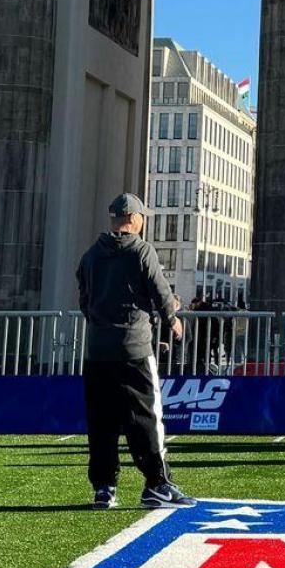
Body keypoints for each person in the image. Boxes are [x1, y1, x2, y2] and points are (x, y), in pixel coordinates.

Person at [77, 192, 193, 511]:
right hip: (134, 349)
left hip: (98, 351)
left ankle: (104, 487)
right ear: (136, 219)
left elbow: (84, 298)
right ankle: (157, 483)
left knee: (101, 422)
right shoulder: (142, 251)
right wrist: (173, 320)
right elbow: (160, 290)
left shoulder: (91, 255)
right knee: (144, 417)